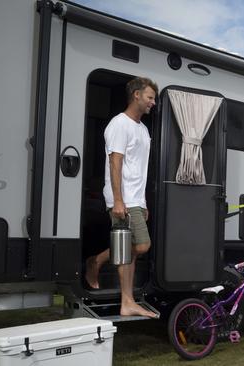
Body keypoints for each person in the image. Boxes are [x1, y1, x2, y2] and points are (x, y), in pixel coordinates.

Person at [85, 77, 158, 318]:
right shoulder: (119, 124)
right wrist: (118, 200)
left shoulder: (143, 129)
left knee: (132, 247)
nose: (153, 102)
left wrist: (143, 202)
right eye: (150, 97)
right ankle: (125, 298)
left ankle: (98, 263)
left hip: (135, 199)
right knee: (141, 245)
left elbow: (141, 169)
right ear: (136, 95)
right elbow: (115, 162)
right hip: (123, 198)